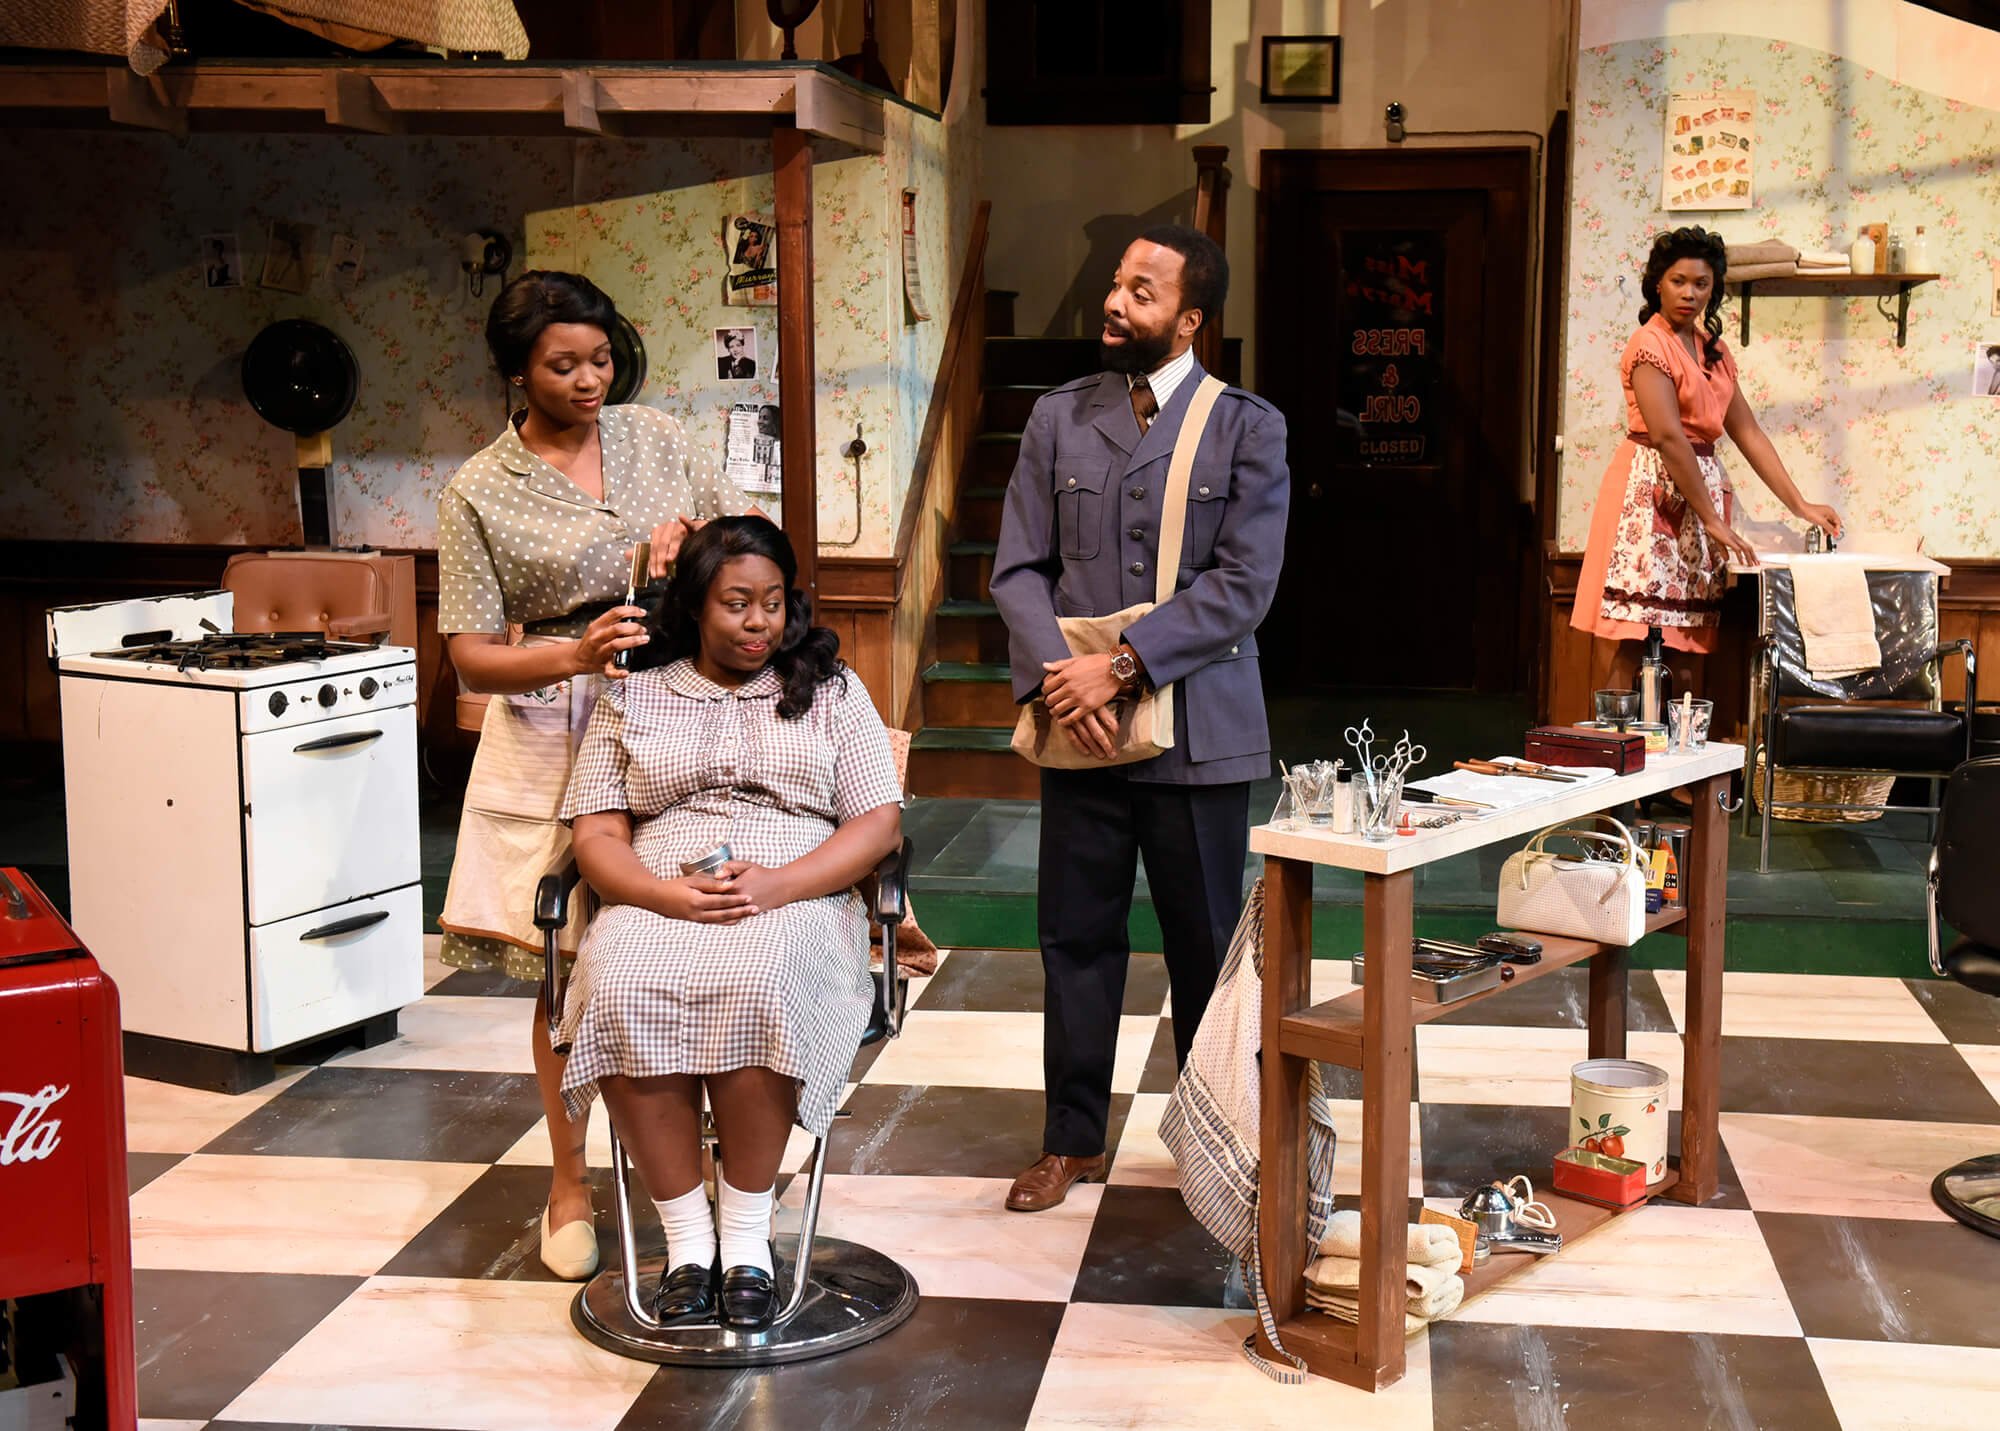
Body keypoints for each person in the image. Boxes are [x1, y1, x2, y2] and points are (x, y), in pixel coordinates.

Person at [436, 270, 749, 1281]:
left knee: (693, 931)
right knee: (566, 964)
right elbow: (472, 658)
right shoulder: (481, 488)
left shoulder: (656, 438)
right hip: (559, 723)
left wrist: (689, 551)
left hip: (683, 711)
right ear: (516, 373)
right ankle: (568, 1179)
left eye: (600, 360)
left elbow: (740, 562)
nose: (587, 381)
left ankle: (702, 1166)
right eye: (562, 365)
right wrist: (571, 653)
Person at [989, 224, 1290, 1213]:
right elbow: (1018, 570)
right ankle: (1068, 1140)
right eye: (1116, 284)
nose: (1114, 303)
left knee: (1205, 945)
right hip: (1075, 732)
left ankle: (1221, 1145)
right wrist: (1054, 681)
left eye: (1141, 292)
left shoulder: (1247, 428)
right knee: (1073, 937)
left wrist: (1118, 666)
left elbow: (1242, 586)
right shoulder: (1055, 420)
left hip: (1198, 733)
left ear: (1189, 319)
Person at [555, 516, 904, 1329]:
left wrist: (781, 884)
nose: (758, 623)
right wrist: (655, 894)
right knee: (619, 981)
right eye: (737, 603)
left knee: (760, 974)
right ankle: (687, 1246)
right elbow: (597, 833)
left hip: (799, 892)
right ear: (694, 608)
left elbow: (877, 823)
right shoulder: (632, 692)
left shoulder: (832, 690)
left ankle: (746, 1240)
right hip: (657, 891)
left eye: (774, 603)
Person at [1571, 226, 1841, 688]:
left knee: (1690, 636)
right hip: (1648, 490)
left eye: (1702, 284)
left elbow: (1748, 432)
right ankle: (1616, 749)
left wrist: (1799, 505)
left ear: (1713, 290)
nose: (1689, 293)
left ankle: (1684, 752)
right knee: (1634, 634)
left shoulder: (1715, 353)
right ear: (1659, 282)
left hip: (1701, 493)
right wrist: (1714, 520)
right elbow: (1669, 436)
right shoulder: (1648, 345)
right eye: (1679, 281)